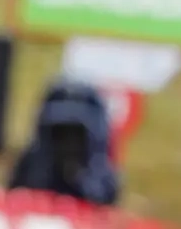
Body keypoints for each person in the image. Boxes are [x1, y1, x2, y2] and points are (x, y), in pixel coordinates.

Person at [7, 76, 121, 207]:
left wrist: (77, 177)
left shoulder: (101, 175)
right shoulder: (31, 167)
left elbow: (102, 201)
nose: (67, 143)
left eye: (76, 134)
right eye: (60, 133)